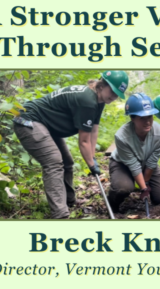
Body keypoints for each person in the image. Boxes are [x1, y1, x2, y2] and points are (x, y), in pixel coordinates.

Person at [13, 71, 129, 219]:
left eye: (118, 93)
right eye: (112, 90)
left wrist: (92, 157)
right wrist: (92, 165)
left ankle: (69, 200)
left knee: (67, 161)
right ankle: (60, 214)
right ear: (102, 85)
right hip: (28, 120)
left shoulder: (98, 100)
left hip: (46, 125)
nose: (114, 96)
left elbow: (94, 129)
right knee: (54, 161)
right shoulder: (87, 100)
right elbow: (84, 141)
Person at [108, 93, 160, 213]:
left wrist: (147, 183)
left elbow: (152, 162)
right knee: (123, 188)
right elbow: (133, 165)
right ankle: (112, 204)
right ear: (132, 118)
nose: (148, 122)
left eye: (150, 117)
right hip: (122, 164)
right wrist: (144, 188)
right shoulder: (121, 136)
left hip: (146, 164)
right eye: (142, 118)